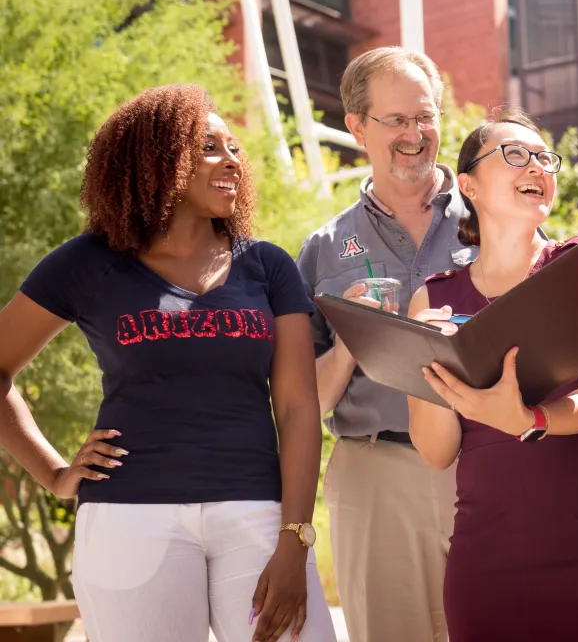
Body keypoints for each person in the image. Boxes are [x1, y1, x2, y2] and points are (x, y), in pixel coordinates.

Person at [0, 85, 334, 642]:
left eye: (234, 147)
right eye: (209, 146)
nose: (232, 159)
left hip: (255, 513)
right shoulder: (88, 263)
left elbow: (299, 409)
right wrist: (56, 476)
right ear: (155, 159)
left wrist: (296, 537)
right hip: (130, 519)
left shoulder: (268, 266)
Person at [404, 108, 578, 641]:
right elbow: (435, 452)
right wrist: (430, 363)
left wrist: (530, 418)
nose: (537, 167)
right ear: (469, 184)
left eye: (545, 157)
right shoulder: (431, 299)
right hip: (489, 558)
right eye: (515, 155)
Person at [295, 47, 470, 642]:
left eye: (425, 117)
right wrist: (350, 343)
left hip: (491, 463)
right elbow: (302, 403)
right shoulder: (321, 250)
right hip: (375, 473)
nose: (414, 135)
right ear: (355, 126)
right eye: (395, 120)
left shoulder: (499, 217)